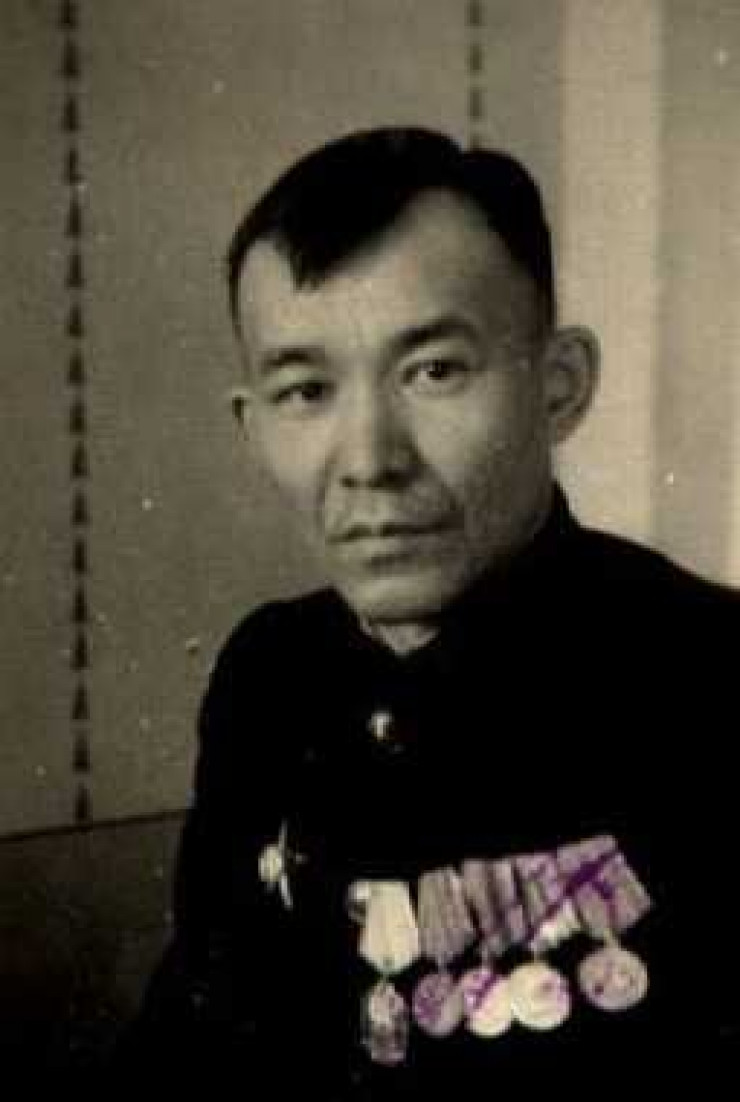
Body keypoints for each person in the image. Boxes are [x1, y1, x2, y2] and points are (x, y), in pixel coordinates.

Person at [115, 127, 739, 1091]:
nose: (370, 458)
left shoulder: (722, 677)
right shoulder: (270, 678)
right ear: (254, 427)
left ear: (560, 387)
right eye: (305, 390)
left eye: (434, 371)